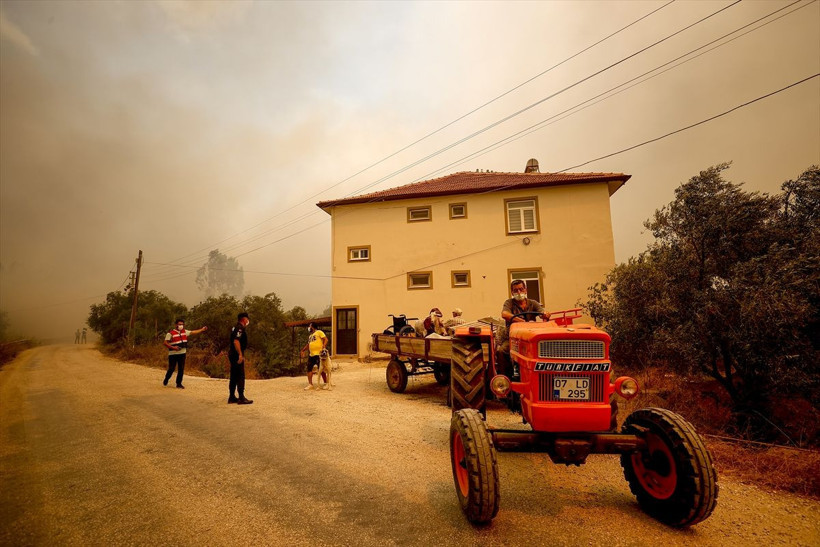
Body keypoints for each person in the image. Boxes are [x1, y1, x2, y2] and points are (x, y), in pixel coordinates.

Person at [497, 280, 550, 377]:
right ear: (512, 292)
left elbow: (542, 312)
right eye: (515, 290)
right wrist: (523, 322)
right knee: (502, 351)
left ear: (525, 290)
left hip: (531, 338)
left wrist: (545, 314)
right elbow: (505, 314)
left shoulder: (533, 303)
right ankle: (506, 378)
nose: (519, 292)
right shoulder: (509, 303)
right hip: (515, 338)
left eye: (521, 289)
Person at [163, 318, 208, 389]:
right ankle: (166, 379)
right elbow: (165, 343)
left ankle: (179, 383)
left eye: (182, 324)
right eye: (179, 324)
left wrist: (202, 330)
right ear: (176, 325)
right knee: (171, 368)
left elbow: (193, 332)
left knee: (181, 369)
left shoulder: (185, 332)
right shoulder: (170, 333)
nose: (181, 326)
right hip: (173, 354)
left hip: (182, 353)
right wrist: (173, 347)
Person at [228, 312, 253, 404]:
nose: (248, 321)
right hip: (236, 355)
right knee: (240, 375)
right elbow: (236, 341)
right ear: (244, 319)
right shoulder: (239, 328)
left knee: (234, 375)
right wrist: (240, 354)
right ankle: (241, 397)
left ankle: (231, 396)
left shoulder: (235, 327)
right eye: (247, 319)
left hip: (232, 354)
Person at [300, 322, 328, 390]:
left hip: (318, 354)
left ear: (313, 327)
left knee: (321, 369)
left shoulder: (319, 332)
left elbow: (326, 339)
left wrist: (323, 346)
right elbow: (308, 345)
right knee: (309, 369)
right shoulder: (310, 336)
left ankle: (326, 383)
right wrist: (303, 350)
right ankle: (310, 384)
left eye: (310, 326)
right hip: (311, 354)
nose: (309, 328)